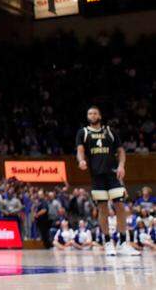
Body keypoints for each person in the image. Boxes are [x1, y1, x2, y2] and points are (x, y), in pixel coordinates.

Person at [77, 106, 139, 256]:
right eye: (89, 113)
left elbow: (121, 151)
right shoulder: (83, 133)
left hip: (113, 174)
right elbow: (80, 151)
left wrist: (121, 165)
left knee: (120, 206)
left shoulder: (109, 132)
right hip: (97, 176)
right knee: (103, 209)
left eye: (95, 113)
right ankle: (107, 242)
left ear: (100, 115)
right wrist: (81, 161)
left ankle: (124, 242)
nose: (92, 115)